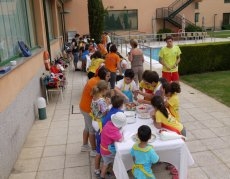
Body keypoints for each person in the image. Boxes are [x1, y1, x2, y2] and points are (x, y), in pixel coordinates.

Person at [79, 66, 111, 157]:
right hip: (88, 109)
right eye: (108, 76)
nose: (110, 78)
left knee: (87, 127)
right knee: (91, 130)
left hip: (85, 107)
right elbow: (101, 104)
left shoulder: (95, 80)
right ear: (103, 76)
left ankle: (85, 145)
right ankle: (94, 150)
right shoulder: (96, 83)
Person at [94, 95, 125, 177]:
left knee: (100, 154)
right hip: (104, 140)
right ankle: (106, 171)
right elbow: (119, 138)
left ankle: (98, 170)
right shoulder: (119, 113)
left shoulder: (111, 109)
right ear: (121, 105)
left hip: (101, 133)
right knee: (102, 155)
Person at [90, 80, 110, 177]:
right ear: (104, 90)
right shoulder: (101, 100)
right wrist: (107, 104)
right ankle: (97, 169)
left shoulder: (94, 97)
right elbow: (105, 112)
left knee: (99, 147)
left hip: (94, 121)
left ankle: (98, 168)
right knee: (99, 149)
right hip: (100, 124)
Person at [100, 112, 127, 179]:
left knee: (106, 162)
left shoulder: (109, 123)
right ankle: (102, 175)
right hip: (108, 151)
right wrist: (122, 133)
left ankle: (107, 172)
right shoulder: (113, 130)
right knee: (114, 161)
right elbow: (120, 139)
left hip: (103, 148)